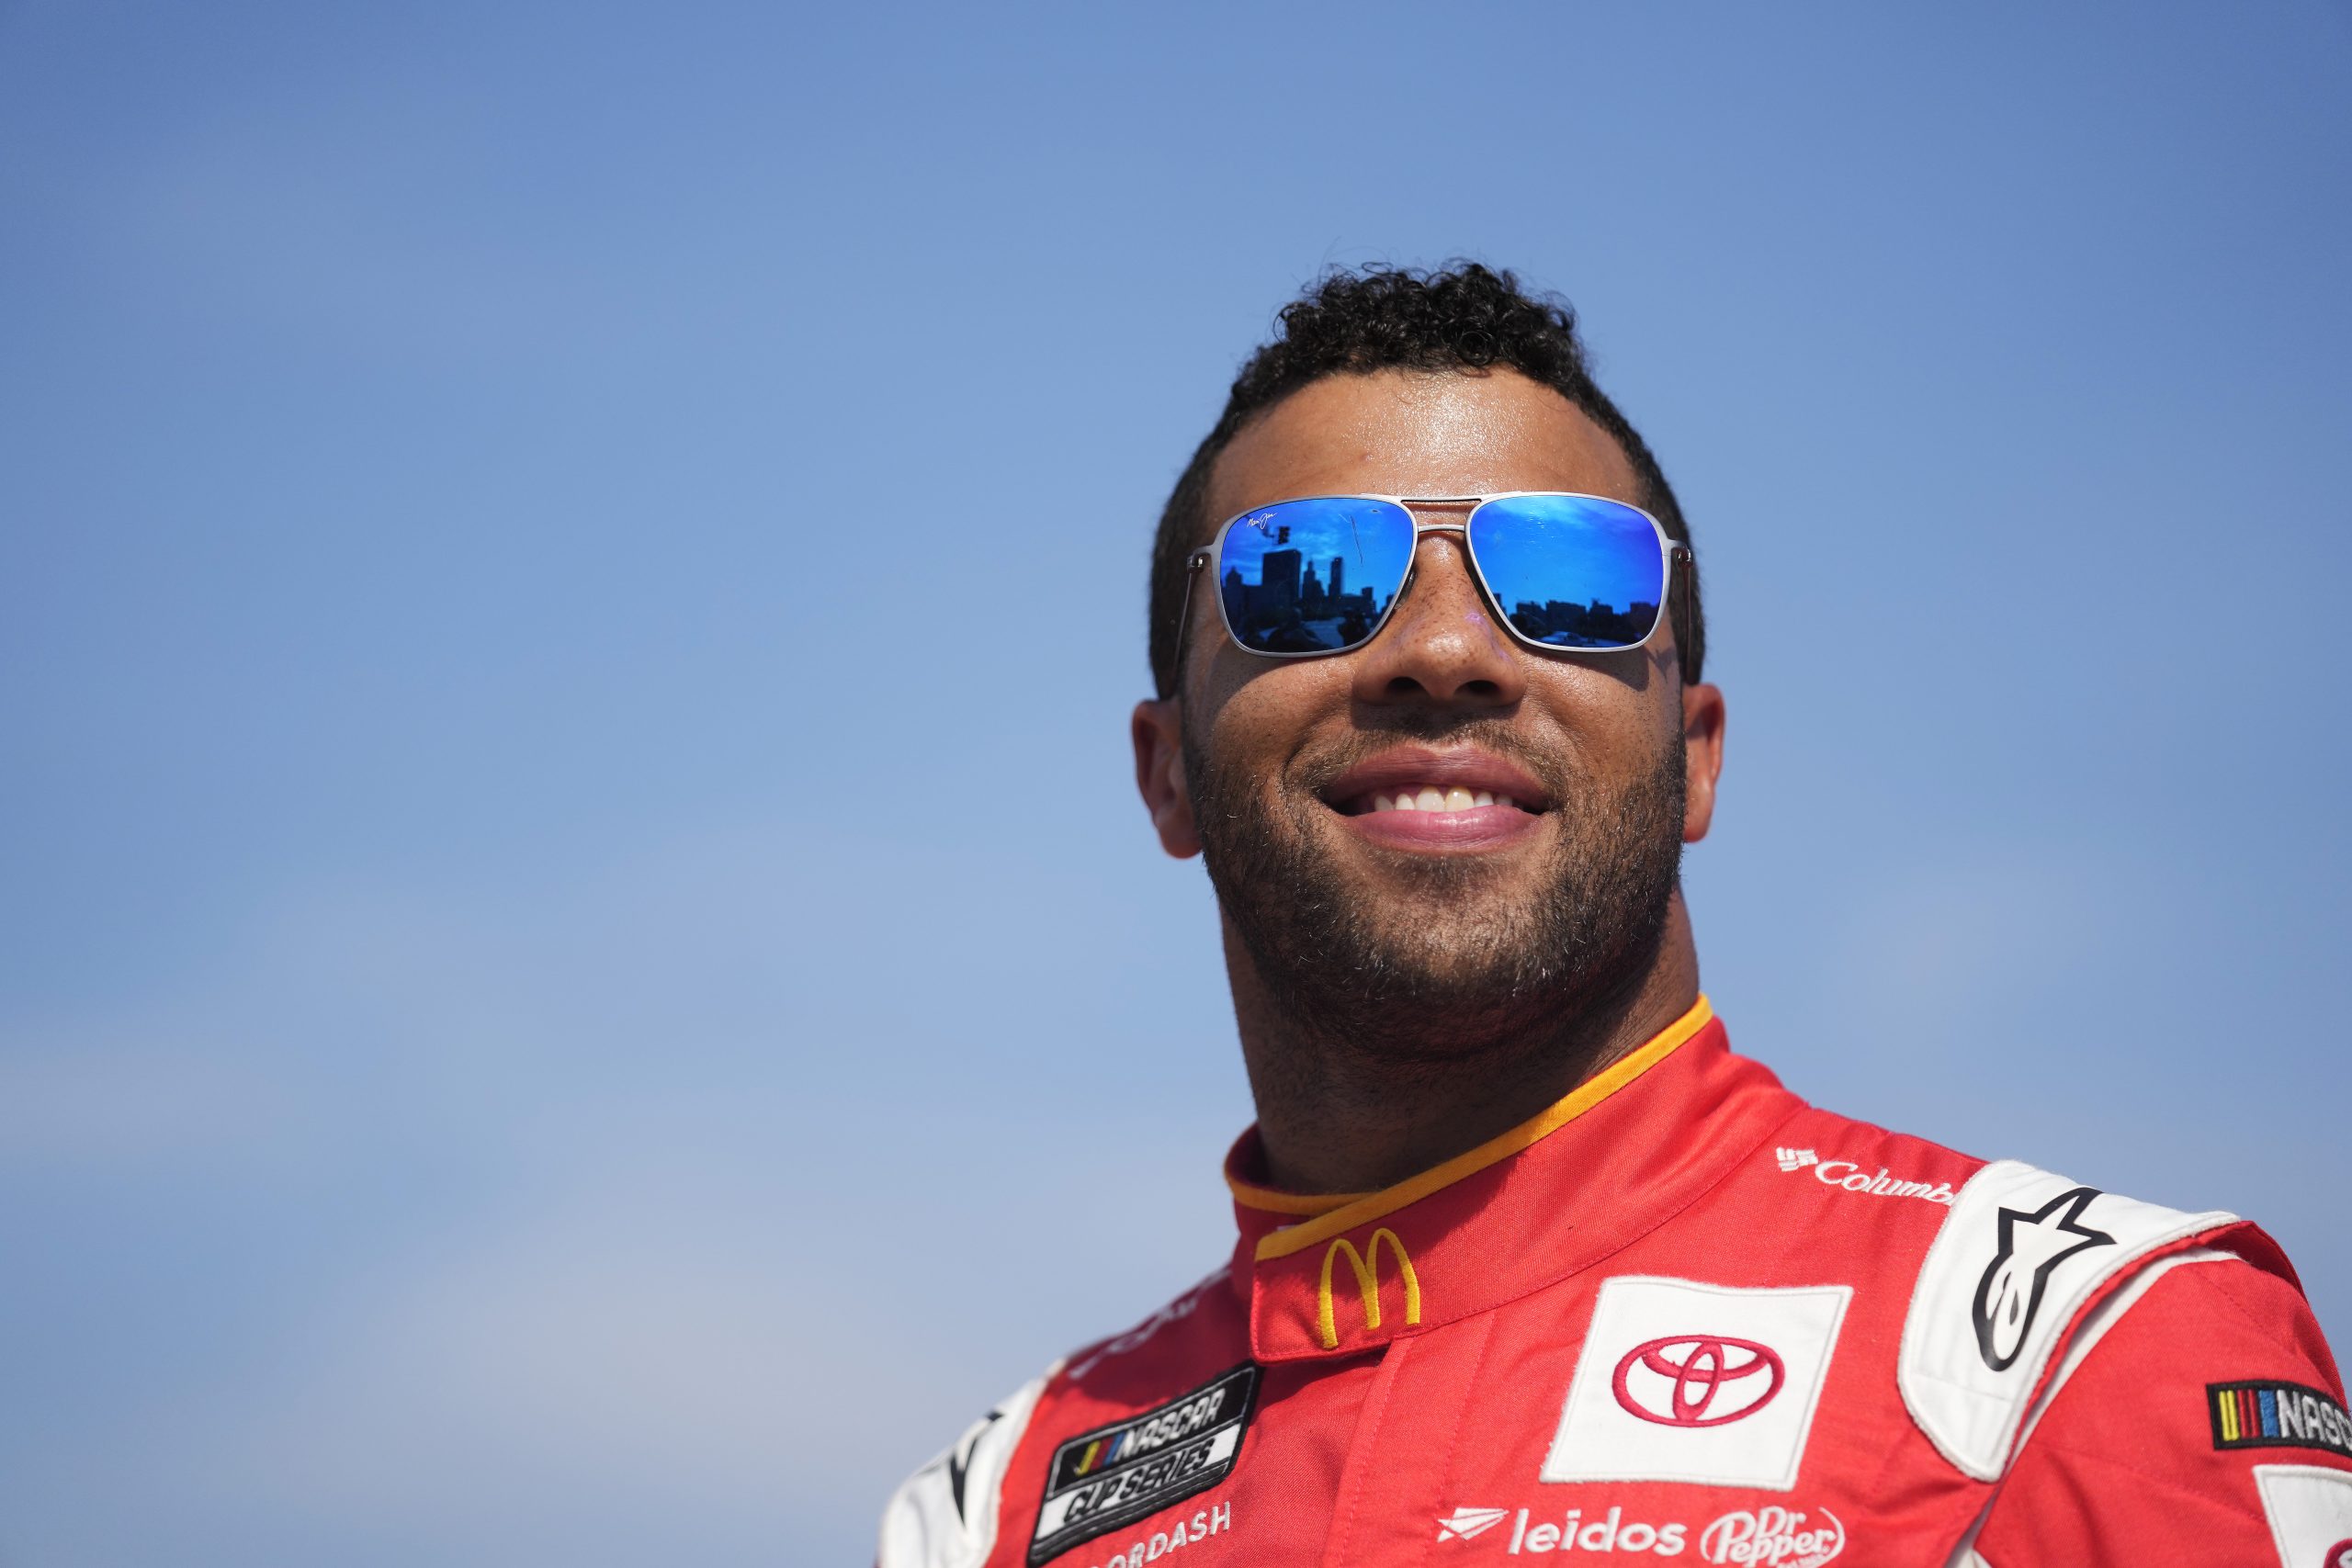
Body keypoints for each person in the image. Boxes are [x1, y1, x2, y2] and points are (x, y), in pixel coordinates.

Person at [876, 265, 2350, 1567]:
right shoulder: (992, 1511)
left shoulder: (2081, 1358)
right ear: (1166, 776)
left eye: (1570, 583)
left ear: (1696, 757)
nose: (1443, 649)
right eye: (1303, 584)